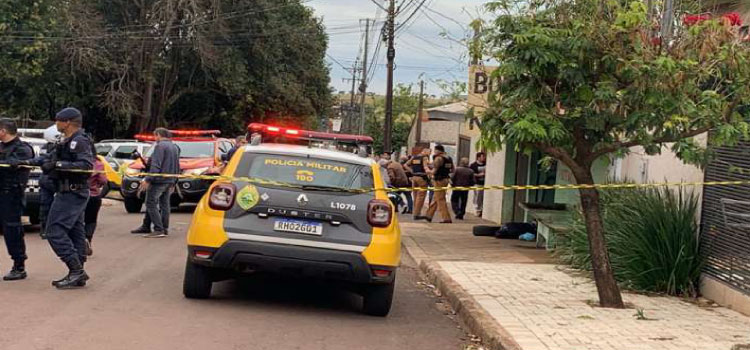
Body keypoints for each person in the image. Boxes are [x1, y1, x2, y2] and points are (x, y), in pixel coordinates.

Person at [34, 107, 94, 289]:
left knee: (54, 231)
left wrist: (58, 164)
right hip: (68, 191)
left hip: (72, 192)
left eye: (58, 120)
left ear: (67, 122)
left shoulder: (80, 141)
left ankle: (76, 269)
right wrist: (26, 162)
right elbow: (47, 159)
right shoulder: (66, 141)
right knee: (76, 232)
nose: (56, 123)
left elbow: (85, 165)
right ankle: (78, 273)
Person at [0, 119, 35, 281]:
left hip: (11, 195)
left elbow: (18, 166)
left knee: (12, 230)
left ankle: (19, 265)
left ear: (3, 131)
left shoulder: (22, 149)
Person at [131, 128, 180, 238]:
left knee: (150, 202)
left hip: (159, 180)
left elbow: (156, 165)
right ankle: (158, 227)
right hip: (169, 179)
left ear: (158, 135)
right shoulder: (174, 147)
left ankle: (158, 229)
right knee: (165, 205)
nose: (155, 139)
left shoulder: (160, 146)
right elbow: (177, 165)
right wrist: (175, 181)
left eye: (155, 136)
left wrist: (148, 179)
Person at [38, 126, 62, 239]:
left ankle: (46, 229)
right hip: (51, 179)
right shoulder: (54, 147)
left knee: (46, 204)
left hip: (46, 178)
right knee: (51, 205)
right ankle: (48, 228)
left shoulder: (46, 146)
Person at [84, 155, 108, 256]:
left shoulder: (77, 162)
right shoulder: (98, 164)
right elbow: (103, 180)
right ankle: (87, 238)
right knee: (91, 220)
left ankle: (79, 241)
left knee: (78, 220)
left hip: (77, 195)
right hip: (93, 196)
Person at [423, 144, 453, 223]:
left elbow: (434, 170)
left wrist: (427, 169)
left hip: (439, 180)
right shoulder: (448, 158)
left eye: (435, 150)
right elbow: (452, 169)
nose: (434, 152)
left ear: (438, 150)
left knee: (440, 199)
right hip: (446, 179)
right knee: (435, 198)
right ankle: (428, 215)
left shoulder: (438, 158)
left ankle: (446, 218)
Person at [404, 148, 431, 220]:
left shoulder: (414, 157)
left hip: (414, 178)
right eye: (429, 152)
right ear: (425, 151)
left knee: (415, 196)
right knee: (421, 197)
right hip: (421, 178)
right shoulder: (424, 158)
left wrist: (412, 171)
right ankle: (417, 214)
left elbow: (405, 165)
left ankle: (415, 212)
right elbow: (425, 167)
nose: (429, 154)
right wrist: (429, 172)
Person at [470, 152, 487, 217]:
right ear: (478, 157)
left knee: (482, 197)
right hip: (477, 183)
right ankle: (478, 210)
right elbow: (471, 173)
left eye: (484, 157)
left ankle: (481, 209)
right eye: (483, 157)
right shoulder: (473, 165)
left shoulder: (486, 164)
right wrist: (478, 175)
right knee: (478, 197)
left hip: (484, 183)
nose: (484, 158)